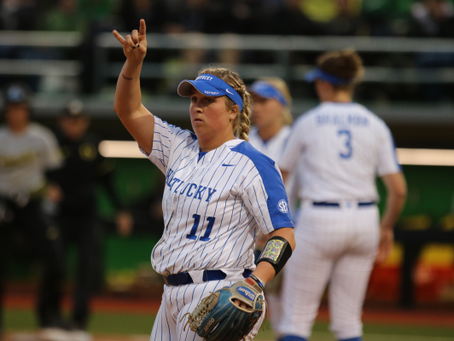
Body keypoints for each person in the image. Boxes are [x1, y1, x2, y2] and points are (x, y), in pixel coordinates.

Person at [112, 19, 296, 341]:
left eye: (208, 101)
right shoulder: (178, 146)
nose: (196, 107)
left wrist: (255, 282)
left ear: (232, 111)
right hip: (170, 295)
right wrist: (133, 64)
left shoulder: (254, 163)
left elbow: (284, 235)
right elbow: (128, 110)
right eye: (194, 100)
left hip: (221, 294)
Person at [276, 50, 408, 341]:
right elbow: (399, 190)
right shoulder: (375, 123)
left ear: (324, 83)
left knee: (296, 319)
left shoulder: (309, 121)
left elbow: (280, 177)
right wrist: (385, 228)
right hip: (365, 219)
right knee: (348, 322)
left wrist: (274, 224)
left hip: (319, 217)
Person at [0, 83, 67, 341]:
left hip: (32, 205)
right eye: (10, 108)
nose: (15, 113)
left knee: (54, 259)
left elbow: (54, 171)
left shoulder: (41, 137)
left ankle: (51, 315)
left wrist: (52, 189)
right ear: (4, 111)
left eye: (20, 108)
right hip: (3, 205)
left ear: (28, 110)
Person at [46, 100, 132, 341]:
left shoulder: (92, 144)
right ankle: (50, 316)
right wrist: (45, 187)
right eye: (70, 120)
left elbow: (107, 181)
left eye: (79, 120)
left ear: (85, 122)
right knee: (55, 266)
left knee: (87, 269)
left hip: (87, 217)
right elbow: (38, 175)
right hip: (58, 217)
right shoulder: (51, 144)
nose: (75, 125)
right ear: (61, 121)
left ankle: (78, 320)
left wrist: (121, 210)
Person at [248, 77, 298, 339]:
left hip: (291, 234)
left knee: (289, 310)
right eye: (253, 100)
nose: (257, 107)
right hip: (248, 238)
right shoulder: (243, 139)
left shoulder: (296, 139)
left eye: (264, 100)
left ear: (282, 104)